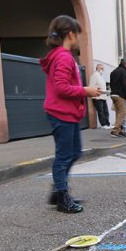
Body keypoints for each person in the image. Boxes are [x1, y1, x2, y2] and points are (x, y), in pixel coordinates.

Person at [41, 15, 100, 214]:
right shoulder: (63, 57)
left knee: (73, 153)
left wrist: (84, 91)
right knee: (64, 156)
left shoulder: (62, 56)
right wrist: (85, 91)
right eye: (78, 35)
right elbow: (61, 88)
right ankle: (61, 196)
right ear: (71, 34)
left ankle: (59, 191)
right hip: (61, 113)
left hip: (66, 113)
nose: (79, 40)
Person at [108, 58, 126, 137]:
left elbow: (111, 84)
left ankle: (119, 130)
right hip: (120, 95)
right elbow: (125, 84)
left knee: (118, 113)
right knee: (123, 112)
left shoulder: (114, 71)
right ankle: (115, 130)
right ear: (125, 64)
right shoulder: (123, 72)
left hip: (113, 94)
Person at [88, 63, 110, 129]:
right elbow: (91, 86)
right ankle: (103, 125)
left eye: (103, 68)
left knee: (106, 111)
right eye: (101, 68)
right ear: (97, 68)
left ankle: (107, 124)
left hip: (103, 96)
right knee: (101, 112)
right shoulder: (94, 75)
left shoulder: (101, 76)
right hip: (97, 97)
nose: (102, 69)